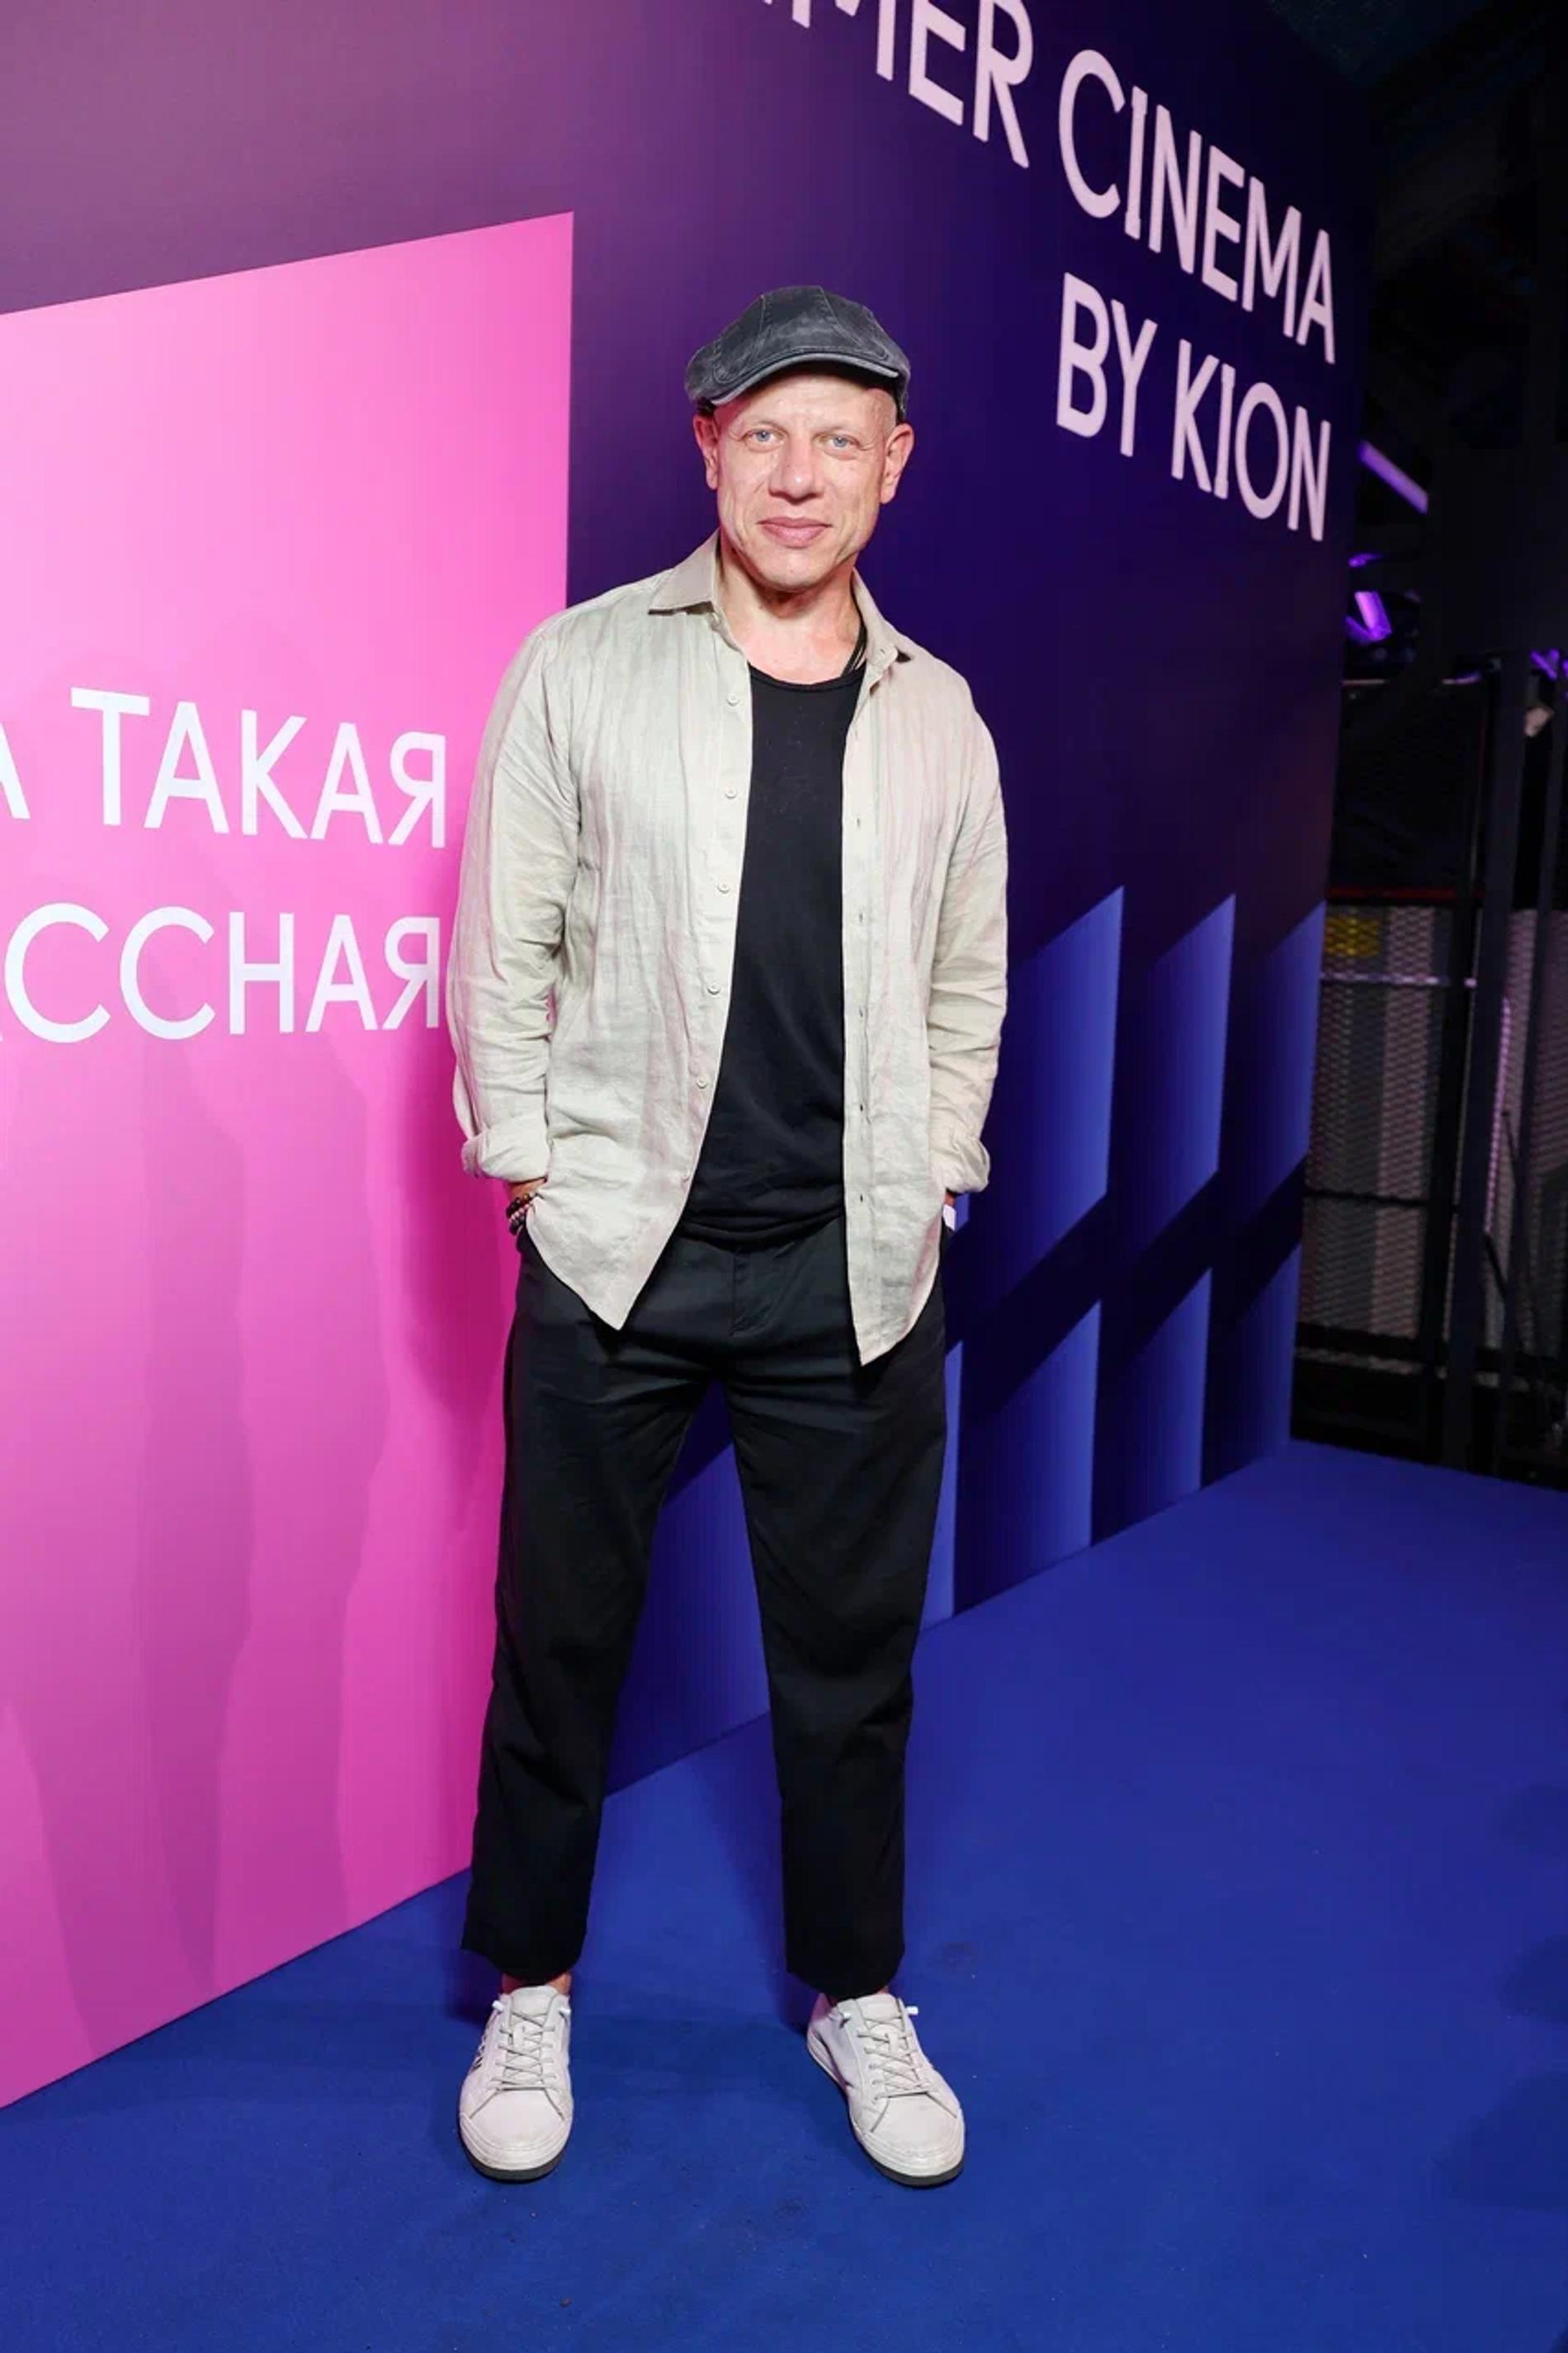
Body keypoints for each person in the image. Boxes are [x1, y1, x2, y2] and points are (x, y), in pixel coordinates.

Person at [446, 285, 1008, 2190]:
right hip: (616, 1249)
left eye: (836, 438)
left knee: (850, 1668)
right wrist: (529, 1167)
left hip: (847, 1269)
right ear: (706, 448)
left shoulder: (941, 717)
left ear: (891, 468)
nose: (796, 472)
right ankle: (531, 1983)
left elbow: (963, 980)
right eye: (762, 431)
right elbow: (502, 939)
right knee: (559, 1645)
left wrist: (936, 1174)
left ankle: (857, 1992)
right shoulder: (580, 665)